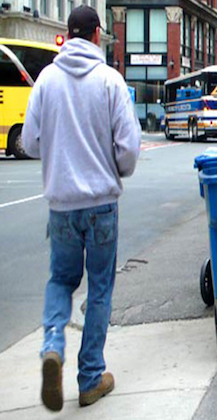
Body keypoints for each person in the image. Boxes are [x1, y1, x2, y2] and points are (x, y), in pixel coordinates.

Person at [21, 5, 141, 411]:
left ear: (68, 36)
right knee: (100, 287)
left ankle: (53, 344)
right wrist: (114, 166)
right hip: (102, 203)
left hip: (61, 204)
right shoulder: (110, 81)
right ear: (96, 36)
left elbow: (32, 142)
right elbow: (128, 149)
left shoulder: (46, 80)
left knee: (60, 281)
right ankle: (90, 377)